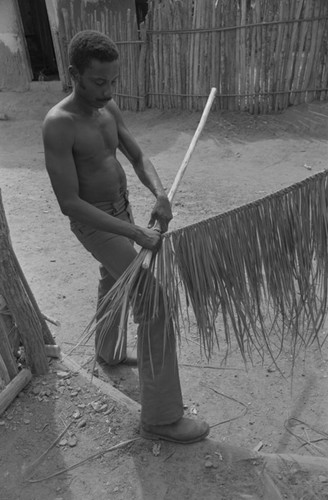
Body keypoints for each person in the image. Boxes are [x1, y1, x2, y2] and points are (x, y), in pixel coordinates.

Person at [42, 30, 209, 443]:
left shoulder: (108, 108)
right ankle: (161, 418)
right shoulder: (58, 125)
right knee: (153, 299)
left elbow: (136, 154)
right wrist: (135, 232)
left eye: (113, 81)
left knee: (112, 278)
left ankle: (108, 351)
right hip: (95, 223)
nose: (108, 90)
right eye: (99, 82)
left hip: (122, 212)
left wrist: (160, 193)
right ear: (73, 74)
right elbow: (69, 203)